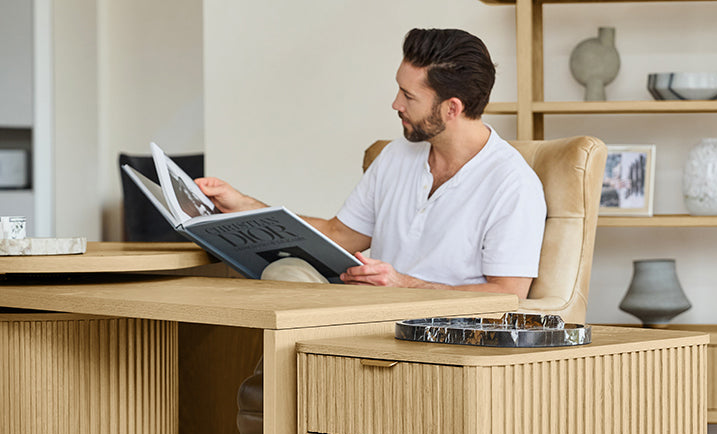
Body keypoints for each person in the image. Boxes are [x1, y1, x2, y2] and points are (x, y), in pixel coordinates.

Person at [196, 27, 546, 301]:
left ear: (451, 108)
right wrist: (244, 206)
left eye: (409, 96)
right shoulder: (396, 156)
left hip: (440, 325)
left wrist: (404, 285)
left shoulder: (512, 183)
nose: (396, 104)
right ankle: (290, 388)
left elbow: (508, 294)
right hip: (368, 311)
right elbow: (338, 236)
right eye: (399, 90)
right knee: (287, 270)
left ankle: (304, 385)